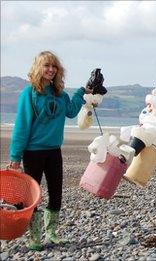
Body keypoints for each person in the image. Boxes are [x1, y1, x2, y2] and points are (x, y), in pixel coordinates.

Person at [8, 51, 92, 250]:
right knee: (32, 197)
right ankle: (35, 237)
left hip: (54, 151)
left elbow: (71, 112)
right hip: (33, 152)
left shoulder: (60, 94)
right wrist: (15, 157)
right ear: (38, 68)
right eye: (47, 65)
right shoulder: (29, 94)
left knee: (56, 193)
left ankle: (52, 233)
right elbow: (22, 126)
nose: (51, 70)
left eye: (54, 66)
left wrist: (82, 92)